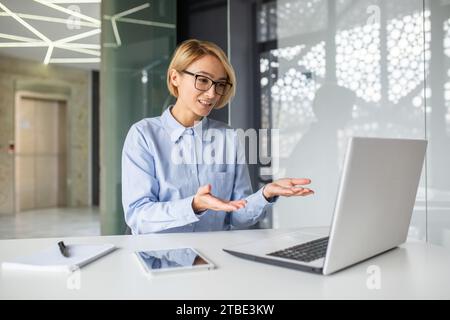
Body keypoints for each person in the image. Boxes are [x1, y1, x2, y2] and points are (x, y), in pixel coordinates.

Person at [122, 39, 314, 234]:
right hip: (161, 259)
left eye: (220, 84)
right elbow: (138, 215)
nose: (212, 93)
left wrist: (265, 194)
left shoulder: (228, 137)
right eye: (203, 80)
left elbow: (237, 215)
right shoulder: (144, 135)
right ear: (174, 78)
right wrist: (194, 205)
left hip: (215, 258)